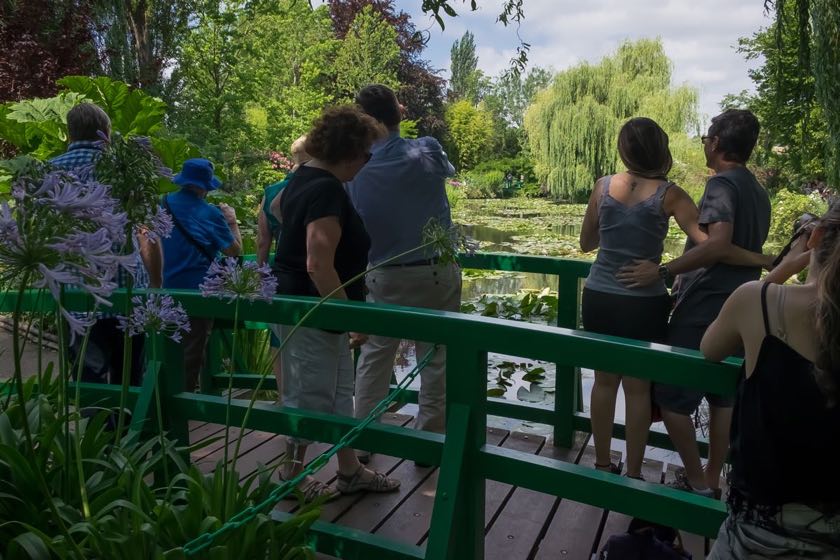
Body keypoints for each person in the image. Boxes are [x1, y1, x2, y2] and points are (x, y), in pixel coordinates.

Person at [579, 117, 767, 480]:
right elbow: (713, 246)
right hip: (643, 301)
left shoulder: (601, 187)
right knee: (637, 387)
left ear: (623, 149)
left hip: (599, 294)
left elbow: (587, 243)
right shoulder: (671, 194)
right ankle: (633, 472)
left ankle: (602, 465)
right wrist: (763, 259)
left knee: (604, 381)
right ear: (661, 150)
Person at [269, 106, 400, 500]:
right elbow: (317, 263)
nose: (366, 162)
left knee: (341, 391)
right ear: (349, 150)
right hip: (313, 311)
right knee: (308, 394)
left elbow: (278, 215)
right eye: (366, 153)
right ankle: (290, 476)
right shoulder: (325, 188)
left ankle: (349, 470)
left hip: (311, 309)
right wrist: (349, 317)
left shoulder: (304, 177)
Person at [702, 204, 840, 559]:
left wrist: (784, 268)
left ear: (817, 237)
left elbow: (711, 348)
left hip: (756, 537)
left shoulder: (759, 300)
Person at [346, 85, 461, 464]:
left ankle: (363, 442)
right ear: (396, 113)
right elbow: (449, 172)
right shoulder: (426, 149)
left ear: (366, 120)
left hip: (383, 275)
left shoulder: (355, 168)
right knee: (437, 359)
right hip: (435, 272)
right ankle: (427, 446)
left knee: (375, 360)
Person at [51, 102, 162, 387]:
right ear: (107, 134)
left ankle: (95, 430)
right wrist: (156, 284)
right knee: (130, 381)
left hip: (75, 296)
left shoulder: (47, 173)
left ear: (70, 134)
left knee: (89, 384)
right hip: (127, 295)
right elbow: (147, 231)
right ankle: (127, 432)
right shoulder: (126, 169)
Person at [161, 158, 242, 391]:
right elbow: (233, 251)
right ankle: (181, 411)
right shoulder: (209, 213)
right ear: (205, 186)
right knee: (192, 351)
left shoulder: (161, 203)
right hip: (197, 292)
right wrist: (232, 221)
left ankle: (159, 403)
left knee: (163, 349)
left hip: (162, 286)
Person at [256, 136, 309, 402]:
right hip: (312, 273)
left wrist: (261, 275)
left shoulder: (271, 192)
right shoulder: (317, 187)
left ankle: (284, 395)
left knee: (279, 337)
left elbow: (263, 241)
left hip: (279, 274)